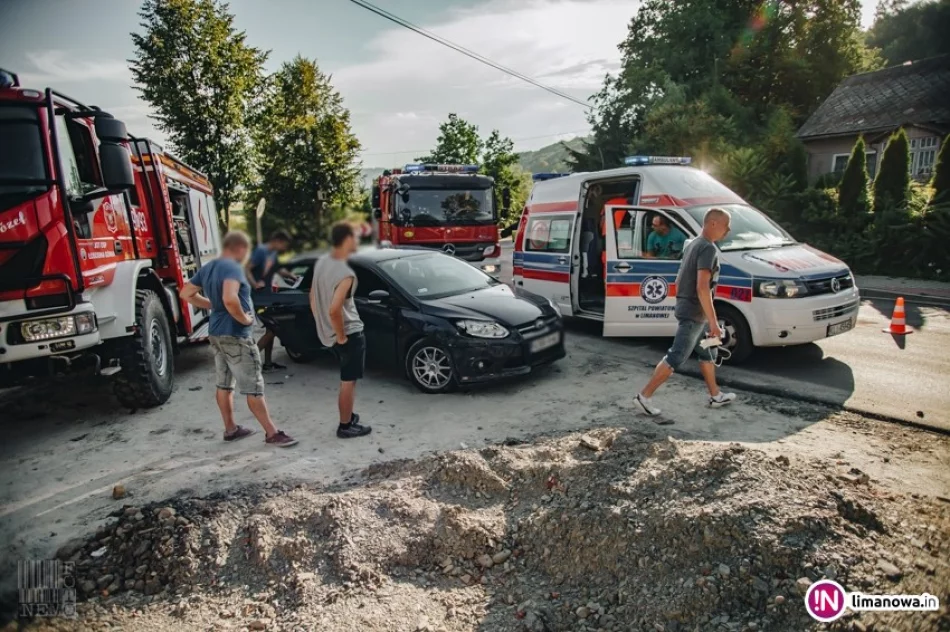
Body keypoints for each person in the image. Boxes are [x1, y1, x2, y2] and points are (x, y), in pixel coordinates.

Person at [180, 230, 297, 447]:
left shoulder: (210, 267)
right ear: (239, 248)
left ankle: (231, 429)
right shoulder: (233, 268)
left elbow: (186, 293)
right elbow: (230, 299)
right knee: (254, 386)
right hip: (236, 335)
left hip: (216, 333)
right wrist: (244, 319)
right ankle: (272, 433)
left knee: (224, 385)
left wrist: (213, 306)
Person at [633, 208, 737, 418]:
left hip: (694, 311)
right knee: (676, 356)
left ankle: (715, 395)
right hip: (694, 314)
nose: (728, 231)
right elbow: (702, 287)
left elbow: (678, 280)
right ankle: (643, 397)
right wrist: (715, 323)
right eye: (726, 226)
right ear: (714, 224)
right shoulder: (707, 249)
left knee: (708, 351)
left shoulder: (692, 244)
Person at [310, 222, 373, 439]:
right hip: (349, 333)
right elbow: (335, 308)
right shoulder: (345, 273)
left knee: (347, 379)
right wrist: (341, 336)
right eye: (355, 238)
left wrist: (322, 324)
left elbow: (312, 296)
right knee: (349, 381)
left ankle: (348, 415)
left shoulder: (322, 263)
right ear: (346, 240)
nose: (357, 242)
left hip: (328, 332)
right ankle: (345, 426)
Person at [246, 230, 296, 371]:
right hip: (259, 296)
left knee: (271, 329)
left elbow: (278, 270)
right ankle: (249, 362)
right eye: (284, 245)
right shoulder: (261, 251)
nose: (285, 248)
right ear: (277, 241)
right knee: (274, 329)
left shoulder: (273, 254)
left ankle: (267, 363)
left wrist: (291, 275)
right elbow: (247, 268)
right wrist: (254, 284)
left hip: (268, 296)